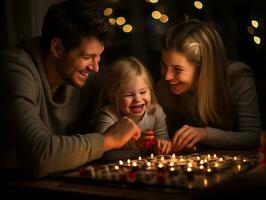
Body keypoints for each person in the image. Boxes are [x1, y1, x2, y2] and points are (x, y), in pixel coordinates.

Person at [0, 0, 141, 178]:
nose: (95, 67)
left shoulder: (84, 78)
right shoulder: (14, 69)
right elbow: (38, 155)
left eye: (98, 58)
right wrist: (107, 141)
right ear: (57, 48)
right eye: (88, 57)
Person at [156, 19, 261, 152]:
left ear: (203, 67)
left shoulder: (238, 78)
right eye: (164, 66)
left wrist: (205, 134)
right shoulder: (164, 90)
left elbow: (252, 139)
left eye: (177, 69)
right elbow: (164, 138)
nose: (167, 77)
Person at [95, 57, 171, 158]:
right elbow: (104, 154)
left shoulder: (156, 112)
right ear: (113, 96)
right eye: (128, 95)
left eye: (143, 92)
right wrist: (135, 146)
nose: (138, 99)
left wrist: (162, 146)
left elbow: (163, 142)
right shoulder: (109, 115)